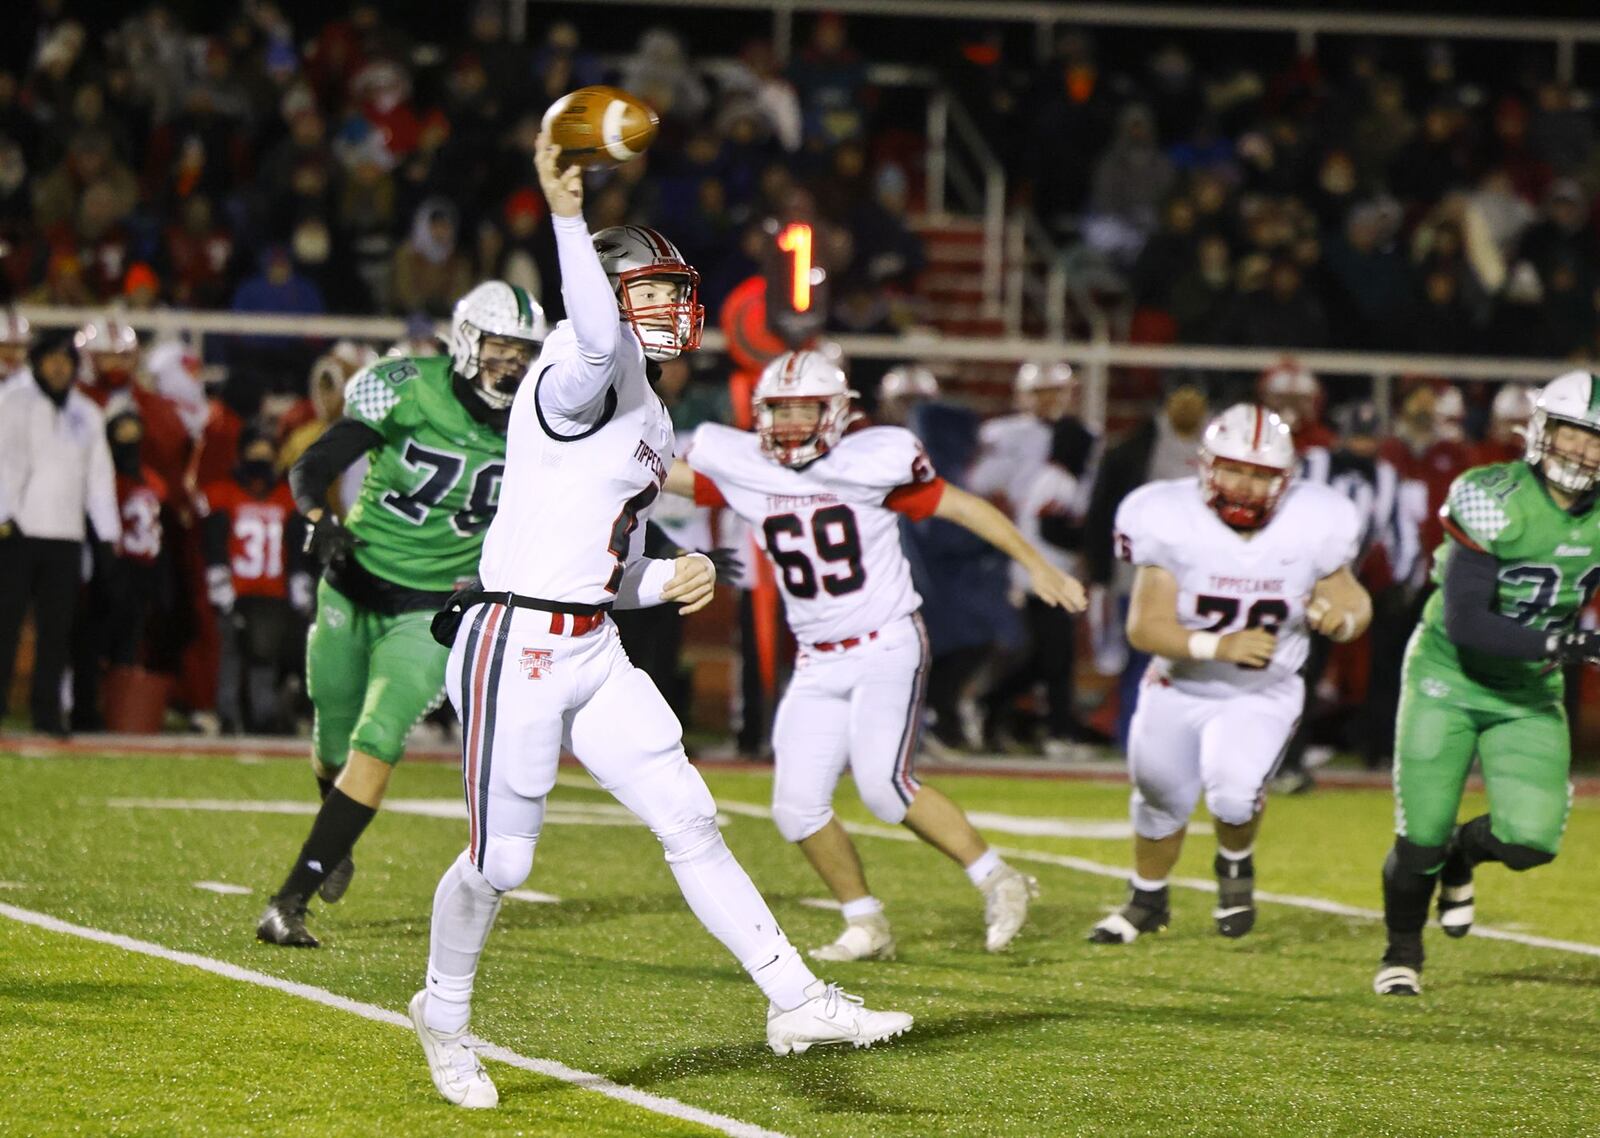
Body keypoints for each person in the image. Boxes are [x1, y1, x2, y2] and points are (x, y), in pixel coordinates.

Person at [409, 135, 911, 1111]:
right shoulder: (575, 364)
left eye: (671, 292)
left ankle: (793, 994)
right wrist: (565, 213)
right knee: (500, 860)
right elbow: (595, 332)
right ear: (600, 291)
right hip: (515, 640)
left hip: (591, 640)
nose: (671, 308)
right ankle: (444, 1007)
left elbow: (604, 558)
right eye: (647, 290)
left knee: (688, 815)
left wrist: (663, 576)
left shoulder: (646, 409)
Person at [669, 349, 1085, 959]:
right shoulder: (745, 466)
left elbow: (964, 506)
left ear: (835, 413)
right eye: (777, 412)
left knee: (885, 787)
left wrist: (1037, 564)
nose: (787, 426)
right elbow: (664, 475)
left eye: (802, 411)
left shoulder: (872, 460)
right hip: (818, 656)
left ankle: (999, 879)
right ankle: (866, 922)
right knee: (796, 809)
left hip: (886, 639)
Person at [254, 278, 546, 948]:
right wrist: (321, 516)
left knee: (380, 735)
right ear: (469, 341)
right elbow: (317, 461)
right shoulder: (409, 384)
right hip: (353, 580)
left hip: (433, 606)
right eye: (500, 345)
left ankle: (289, 900)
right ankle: (338, 831)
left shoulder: (540, 415)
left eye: (523, 350)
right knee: (331, 731)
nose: (512, 363)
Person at [1089, 405, 1370, 944]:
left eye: (1262, 474)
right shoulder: (1167, 516)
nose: (1245, 486)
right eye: (1235, 469)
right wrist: (1221, 645)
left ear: (1286, 482)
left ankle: (1235, 869)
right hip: (1177, 684)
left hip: (1263, 691)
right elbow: (1145, 627)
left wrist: (1344, 619)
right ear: (1206, 467)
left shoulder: (1315, 520)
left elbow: (1350, 597)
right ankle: (1146, 901)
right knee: (1159, 797)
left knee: (1234, 793)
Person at [1373, 372, 1600, 997]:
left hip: (1528, 692)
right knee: (1419, 836)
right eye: (1572, 435)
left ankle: (1464, 854)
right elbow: (1467, 620)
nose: (1582, 452)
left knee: (1529, 841)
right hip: (1448, 673)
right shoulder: (1488, 493)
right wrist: (1565, 643)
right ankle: (1403, 952)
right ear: (1541, 431)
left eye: (1596, 441)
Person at [0, 331, 121, 736]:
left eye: (65, 360)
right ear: (36, 363)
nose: (59, 367)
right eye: (51, 359)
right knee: (5, 625)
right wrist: (3, 517)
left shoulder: (87, 413)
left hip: (65, 535)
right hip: (18, 531)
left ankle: (47, 713)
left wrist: (106, 535)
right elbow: (4, 466)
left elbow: (99, 479)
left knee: (57, 632)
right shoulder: (12, 404)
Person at [199, 427, 309, 734]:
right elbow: (215, 541)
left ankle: (264, 716)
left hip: (272, 593)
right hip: (236, 589)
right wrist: (218, 579)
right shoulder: (224, 493)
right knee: (231, 655)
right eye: (254, 452)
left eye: (266, 452)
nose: (260, 459)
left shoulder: (287, 498)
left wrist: (298, 581)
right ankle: (228, 715)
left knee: (265, 657)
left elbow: (297, 545)